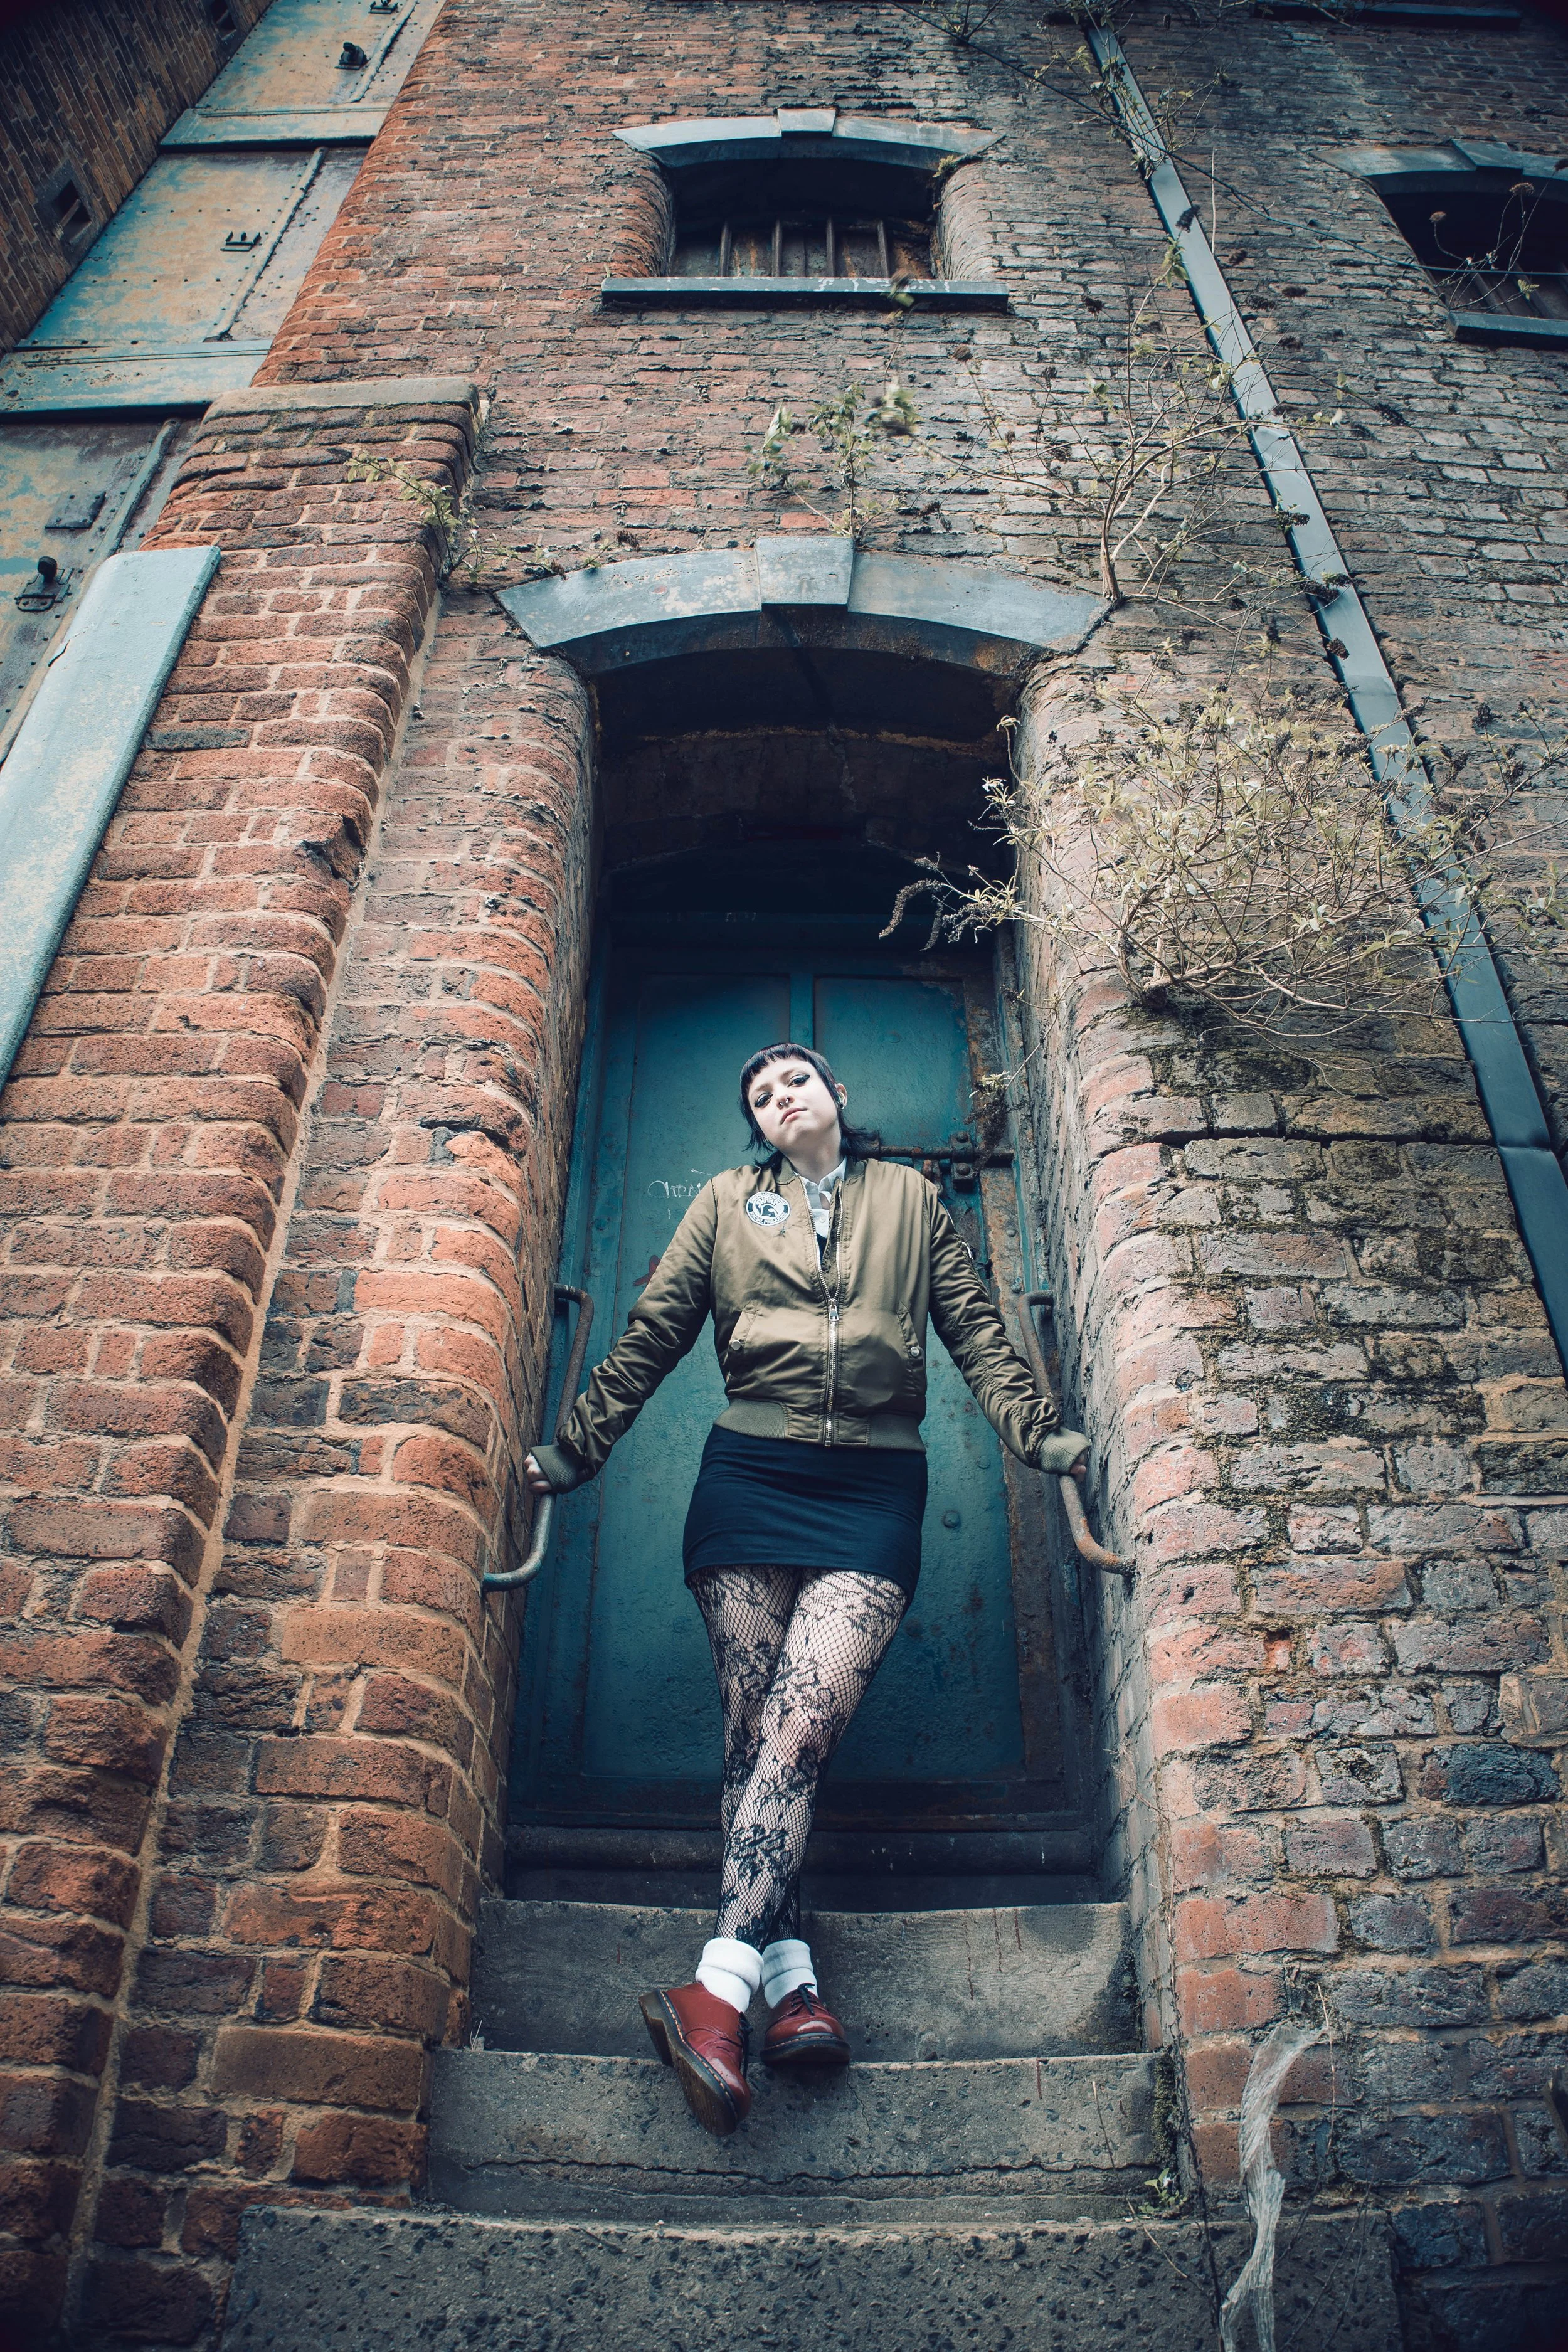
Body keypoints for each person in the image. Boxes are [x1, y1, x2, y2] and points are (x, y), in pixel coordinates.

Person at [525, 1043, 1089, 2138]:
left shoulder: (912, 1201)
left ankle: (713, 1991)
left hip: (873, 1490)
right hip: (750, 1481)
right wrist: (576, 1448)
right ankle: (791, 1988)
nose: (780, 1098)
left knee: (800, 1727)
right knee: (755, 1737)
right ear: (757, 1125)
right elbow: (653, 1333)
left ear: (836, 1095)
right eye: (760, 1095)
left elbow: (975, 1331)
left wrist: (1037, 1434)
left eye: (794, 1081)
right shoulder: (725, 1203)